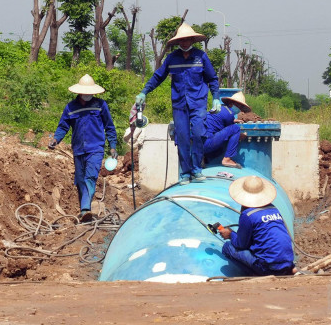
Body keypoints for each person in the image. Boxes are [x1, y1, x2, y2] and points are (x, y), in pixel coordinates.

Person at [135, 23, 220, 184]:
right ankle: (185, 173)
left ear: (192, 40)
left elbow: (212, 79)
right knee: (182, 138)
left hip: (198, 103)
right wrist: (144, 92)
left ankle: (196, 169)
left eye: (187, 40)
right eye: (182, 40)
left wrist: (216, 97)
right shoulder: (172, 59)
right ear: (178, 42)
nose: (185, 43)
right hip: (180, 105)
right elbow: (158, 77)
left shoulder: (201, 57)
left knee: (198, 134)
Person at [49, 74, 117, 222]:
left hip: (96, 148)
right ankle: (83, 212)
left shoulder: (100, 105)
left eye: (90, 93)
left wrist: (112, 146)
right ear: (79, 92)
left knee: (90, 178)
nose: (88, 96)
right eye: (85, 93)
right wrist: (56, 140)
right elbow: (63, 126)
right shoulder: (70, 108)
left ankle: (85, 209)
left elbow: (109, 127)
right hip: (79, 149)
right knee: (80, 181)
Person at [218, 175, 296, 276]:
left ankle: (256, 274)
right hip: (287, 263)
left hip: (268, 267)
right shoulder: (274, 209)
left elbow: (241, 244)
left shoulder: (248, 215)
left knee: (227, 247)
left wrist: (230, 234)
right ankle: (290, 270)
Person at [204, 91, 252, 168]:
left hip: (199, 144)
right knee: (236, 128)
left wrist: (233, 120)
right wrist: (240, 135)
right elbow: (231, 130)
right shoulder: (229, 113)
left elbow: (220, 121)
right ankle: (227, 159)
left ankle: (204, 158)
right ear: (232, 103)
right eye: (239, 106)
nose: (240, 109)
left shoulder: (220, 109)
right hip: (207, 142)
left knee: (222, 147)